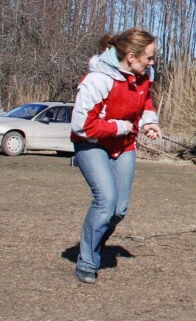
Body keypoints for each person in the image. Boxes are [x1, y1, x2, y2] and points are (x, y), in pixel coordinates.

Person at [71, 28, 161, 284]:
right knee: (105, 200)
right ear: (131, 57)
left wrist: (149, 122)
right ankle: (87, 262)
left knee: (118, 209)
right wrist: (123, 126)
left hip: (124, 145)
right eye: (149, 57)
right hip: (92, 144)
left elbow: (144, 103)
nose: (152, 63)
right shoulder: (98, 80)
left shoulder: (145, 76)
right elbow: (81, 126)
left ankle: (95, 244)